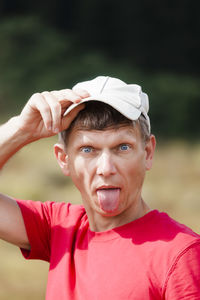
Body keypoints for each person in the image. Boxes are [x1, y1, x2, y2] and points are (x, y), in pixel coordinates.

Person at [0, 76, 200, 300]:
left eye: (122, 147)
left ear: (148, 153)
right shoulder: (59, 228)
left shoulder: (181, 254)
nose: (106, 168)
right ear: (64, 159)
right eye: (88, 149)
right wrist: (20, 129)